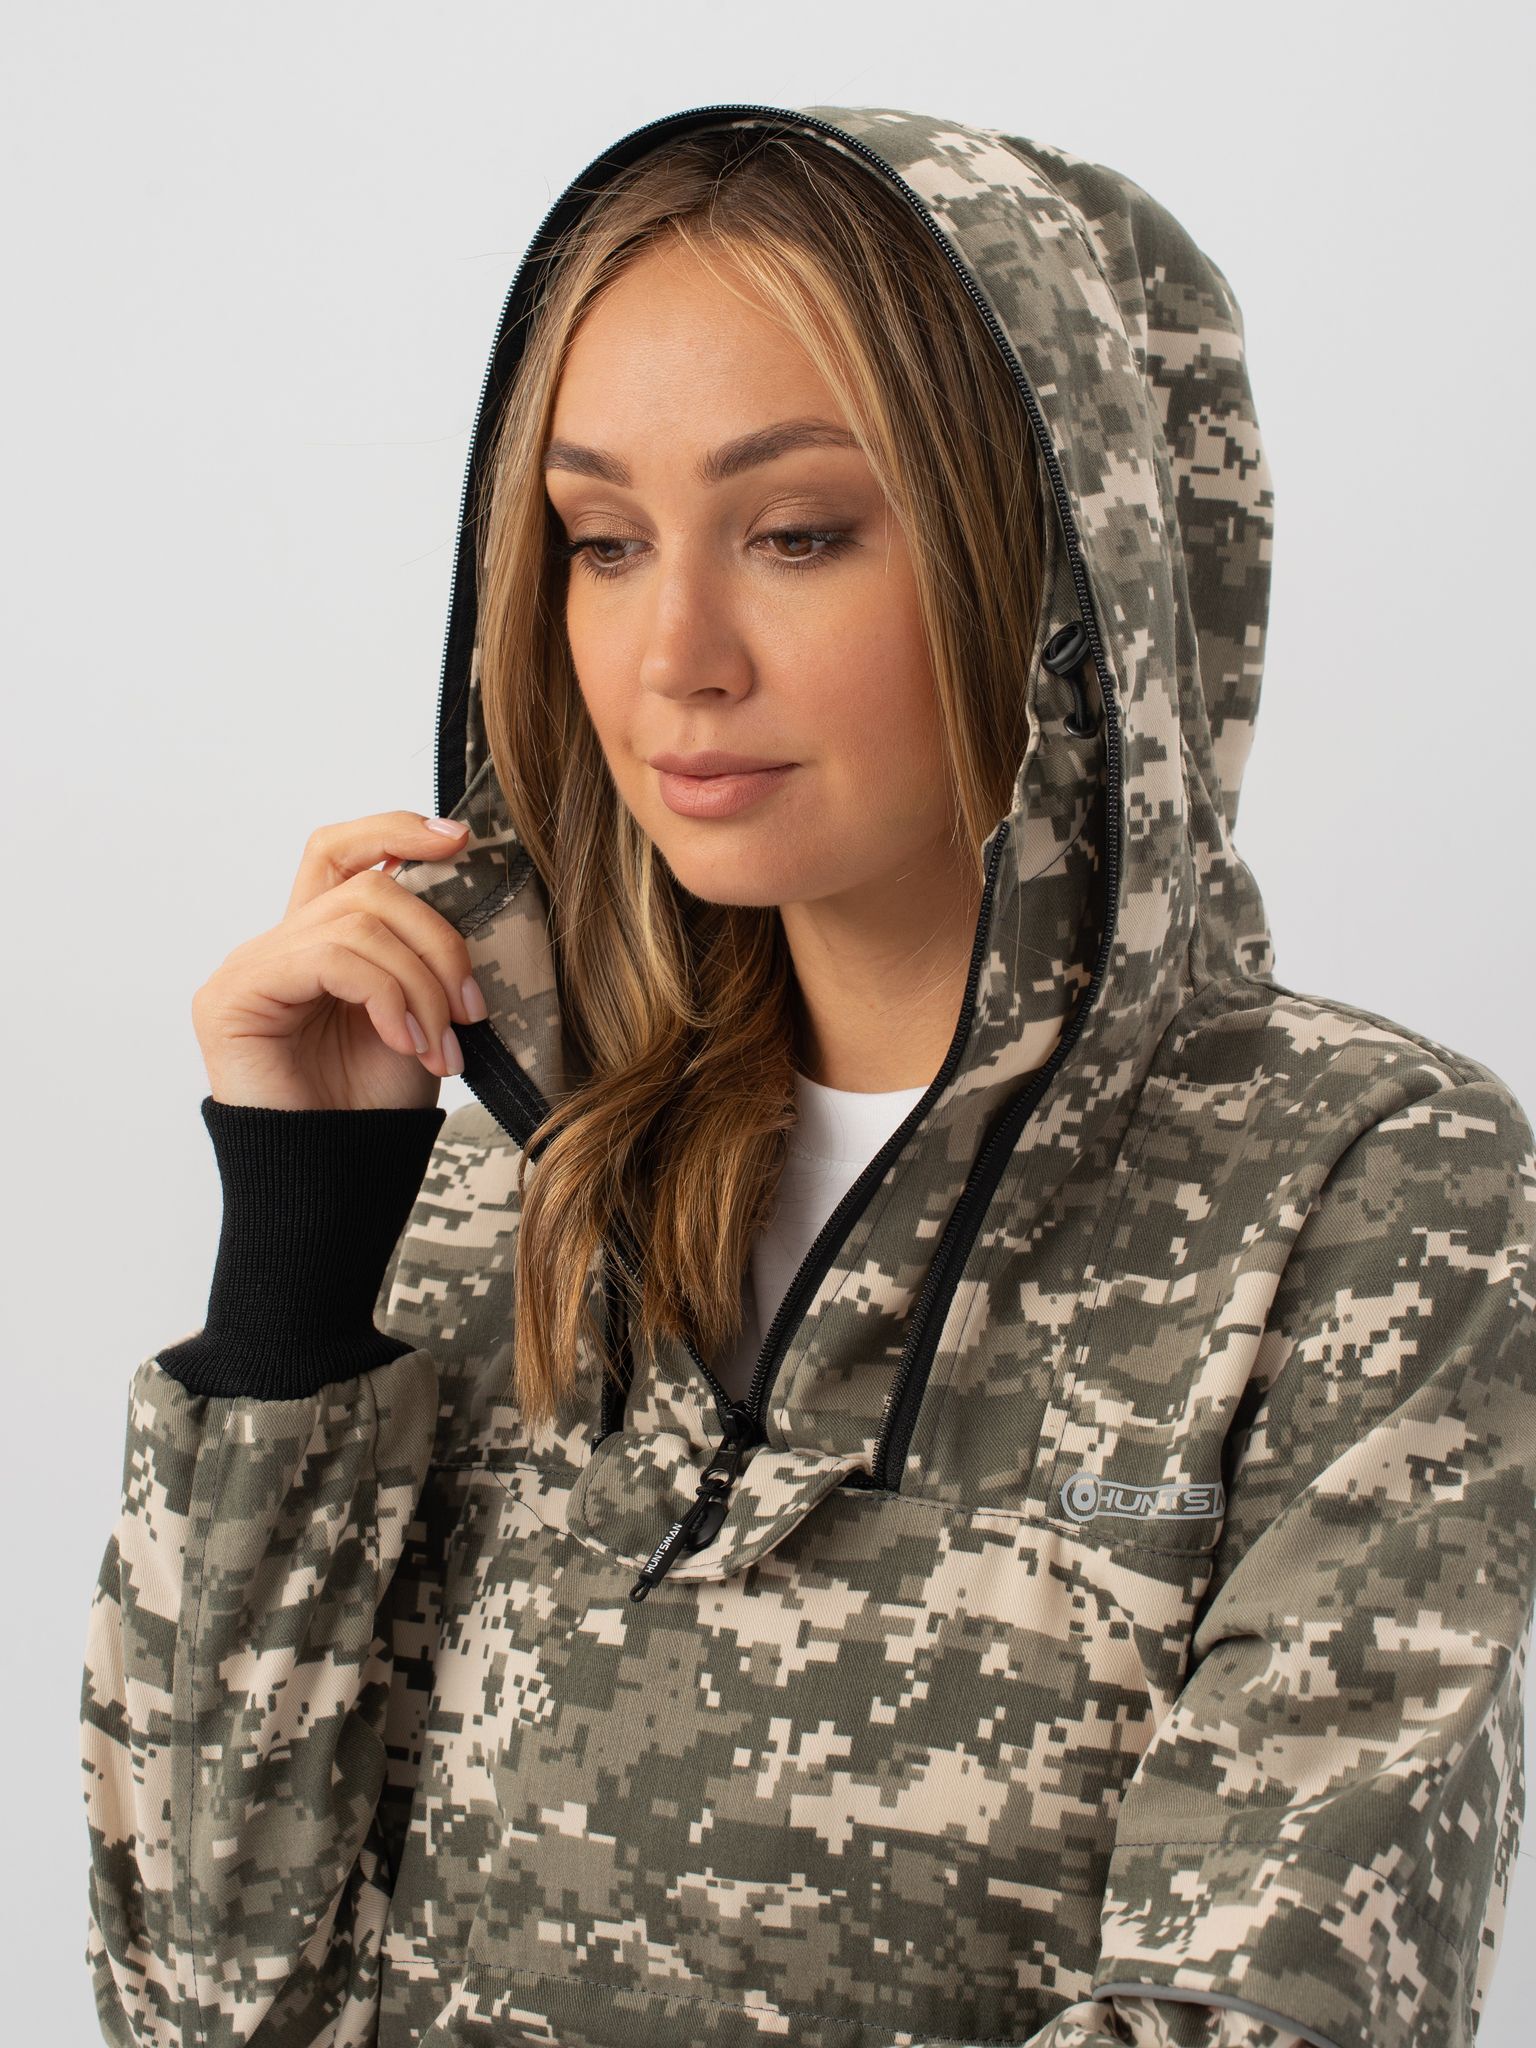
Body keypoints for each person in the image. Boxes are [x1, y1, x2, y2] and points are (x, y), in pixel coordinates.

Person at [77, 101, 1535, 2048]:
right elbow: (196, 2000)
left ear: (1059, 570)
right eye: (603, 542)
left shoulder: (1369, 1192)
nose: (671, 653)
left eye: (797, 534)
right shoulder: (513, 1160)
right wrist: (299, 1251)